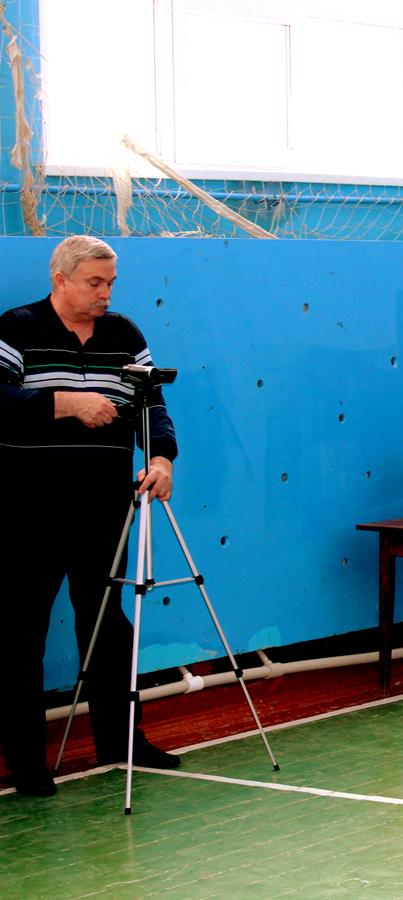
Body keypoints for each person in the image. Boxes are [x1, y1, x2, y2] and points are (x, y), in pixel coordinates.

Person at [0, 236, 181, 797]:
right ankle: (26, 763)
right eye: (94, 283)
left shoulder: (125, 334)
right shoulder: (17, 329)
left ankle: (121, 742)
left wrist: (161, 457)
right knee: (20, 630)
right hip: (28, 508)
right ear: (61, 279)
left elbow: (151, 403)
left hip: (105, 507)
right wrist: (65, 402)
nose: (105, 294)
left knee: (106, 626)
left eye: (110, 283)